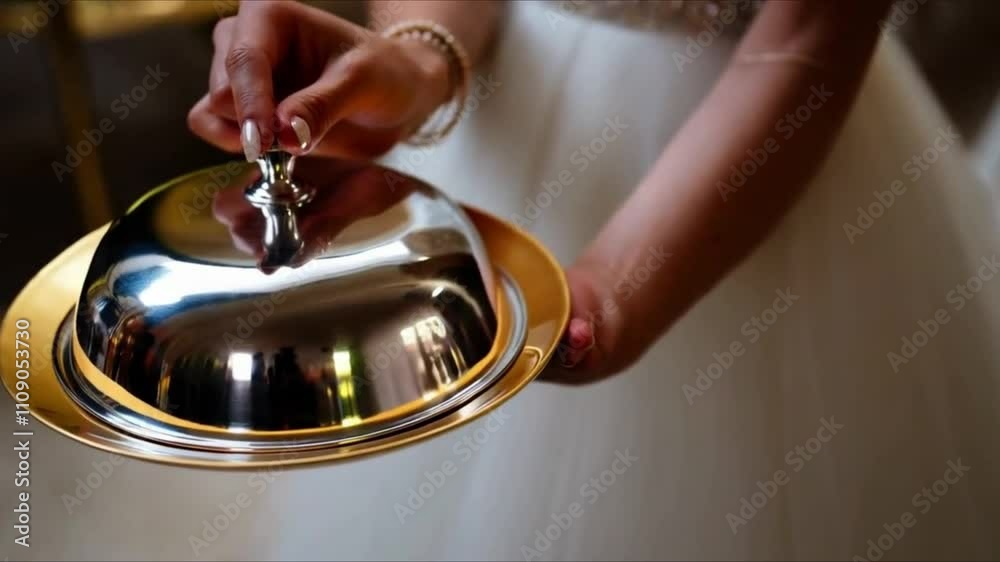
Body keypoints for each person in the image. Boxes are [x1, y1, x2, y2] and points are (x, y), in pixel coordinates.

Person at [188, 1, 1000, 559]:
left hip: (752, 144)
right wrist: (415, 58)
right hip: (512, 115)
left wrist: (612, 289)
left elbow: (812, 34)